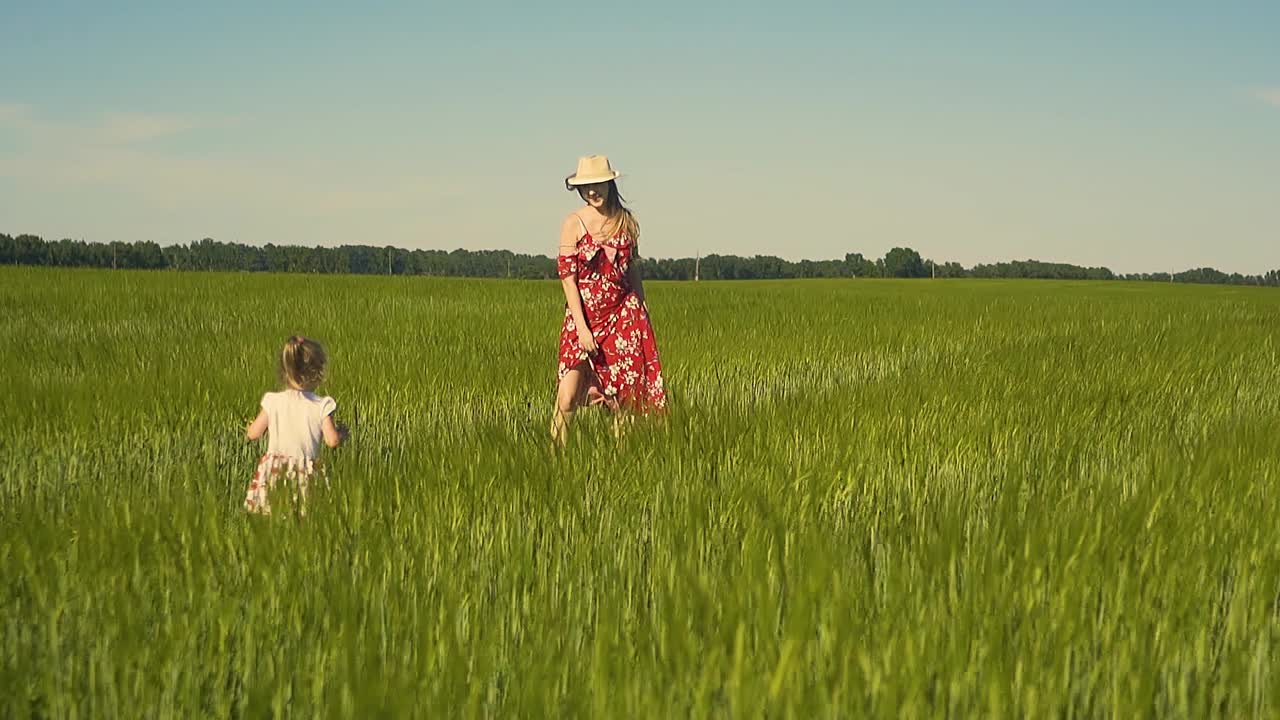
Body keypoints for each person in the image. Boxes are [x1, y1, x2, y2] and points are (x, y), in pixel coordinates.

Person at [552, 155, 667, 445]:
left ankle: (617, 458)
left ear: (610, 184)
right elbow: (568, 279)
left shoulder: (625, 222)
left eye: (599, 184)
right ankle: (554, 459)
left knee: (624, 400)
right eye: (587, 186)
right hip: (584, 317)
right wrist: (582, 328)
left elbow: (633, 270)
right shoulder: (573, 223)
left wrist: (642, 308)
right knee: (567, 396)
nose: (593, 191)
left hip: (623, 317)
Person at [244, 335, 346, 515]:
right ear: (316, 372)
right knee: (304, 519)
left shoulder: (273, 401)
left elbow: (253, 434)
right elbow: (332, 441)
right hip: (304, 474)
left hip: (275, 472)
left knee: (273, 518)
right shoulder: (321, 405)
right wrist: (342, 434)